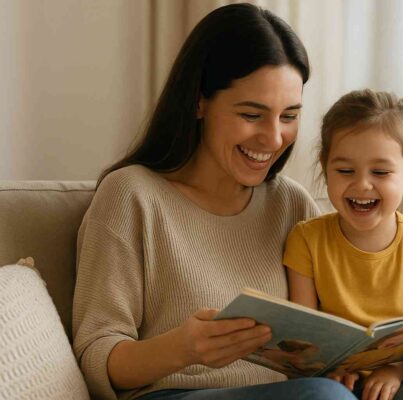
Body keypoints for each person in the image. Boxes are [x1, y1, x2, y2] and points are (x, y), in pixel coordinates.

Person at [71, 3, 355, 400]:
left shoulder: (291, 204)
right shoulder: (130, 195)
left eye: (289, 116)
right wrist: (183, 348)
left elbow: (337, 331)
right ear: (198, 101)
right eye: (252, 115)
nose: (274, 139)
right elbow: (96, 354)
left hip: (294, 394)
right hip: (174, 396)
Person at [284, 89, 403, 400]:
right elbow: (303, 344)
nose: (362, 184)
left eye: (380, 172)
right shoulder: (306, 240)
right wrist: (327, 371)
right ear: (325, 166)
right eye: (345, 171)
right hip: (332, 383)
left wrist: (397, 370)